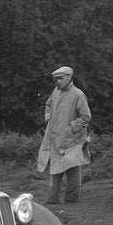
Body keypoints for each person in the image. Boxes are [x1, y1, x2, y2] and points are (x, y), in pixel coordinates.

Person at [37, 65, 91, 204]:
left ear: (69, 78)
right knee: (55, 171)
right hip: (55, 138)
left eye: (61, 79)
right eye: (56, 79)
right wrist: (49, 119)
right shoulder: (55, 92)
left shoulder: (78, 94)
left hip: (72, 140)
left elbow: (85, 117)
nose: (58, 82)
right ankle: (52, 200)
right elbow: (48, 105)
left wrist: (71, 128)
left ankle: (72, 200)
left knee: (73, 170)